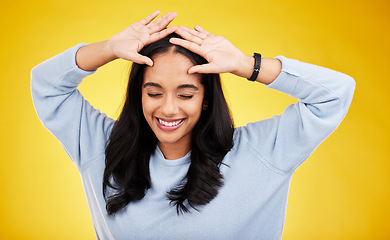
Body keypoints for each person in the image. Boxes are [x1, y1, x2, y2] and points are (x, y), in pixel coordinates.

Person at [31, 10, 355, 240]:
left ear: (206, 99)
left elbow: (336, 93)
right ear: (138, 96)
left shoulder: (260, 152)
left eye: (185, 94)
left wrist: (246, 64)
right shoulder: (101, 146)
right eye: (153, 92)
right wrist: (107, 50)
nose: (168, 108)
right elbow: (44, 84)